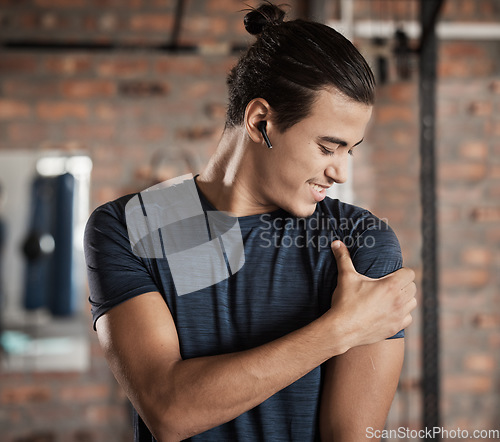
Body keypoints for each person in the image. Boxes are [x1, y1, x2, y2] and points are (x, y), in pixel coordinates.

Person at [84, 4, 417, 441]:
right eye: (327, 147)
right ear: (261, 122)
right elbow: (168, 410)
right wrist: (343, 328)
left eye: (349, 150)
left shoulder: (361, 243)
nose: (341, 172)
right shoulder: (129, 227)